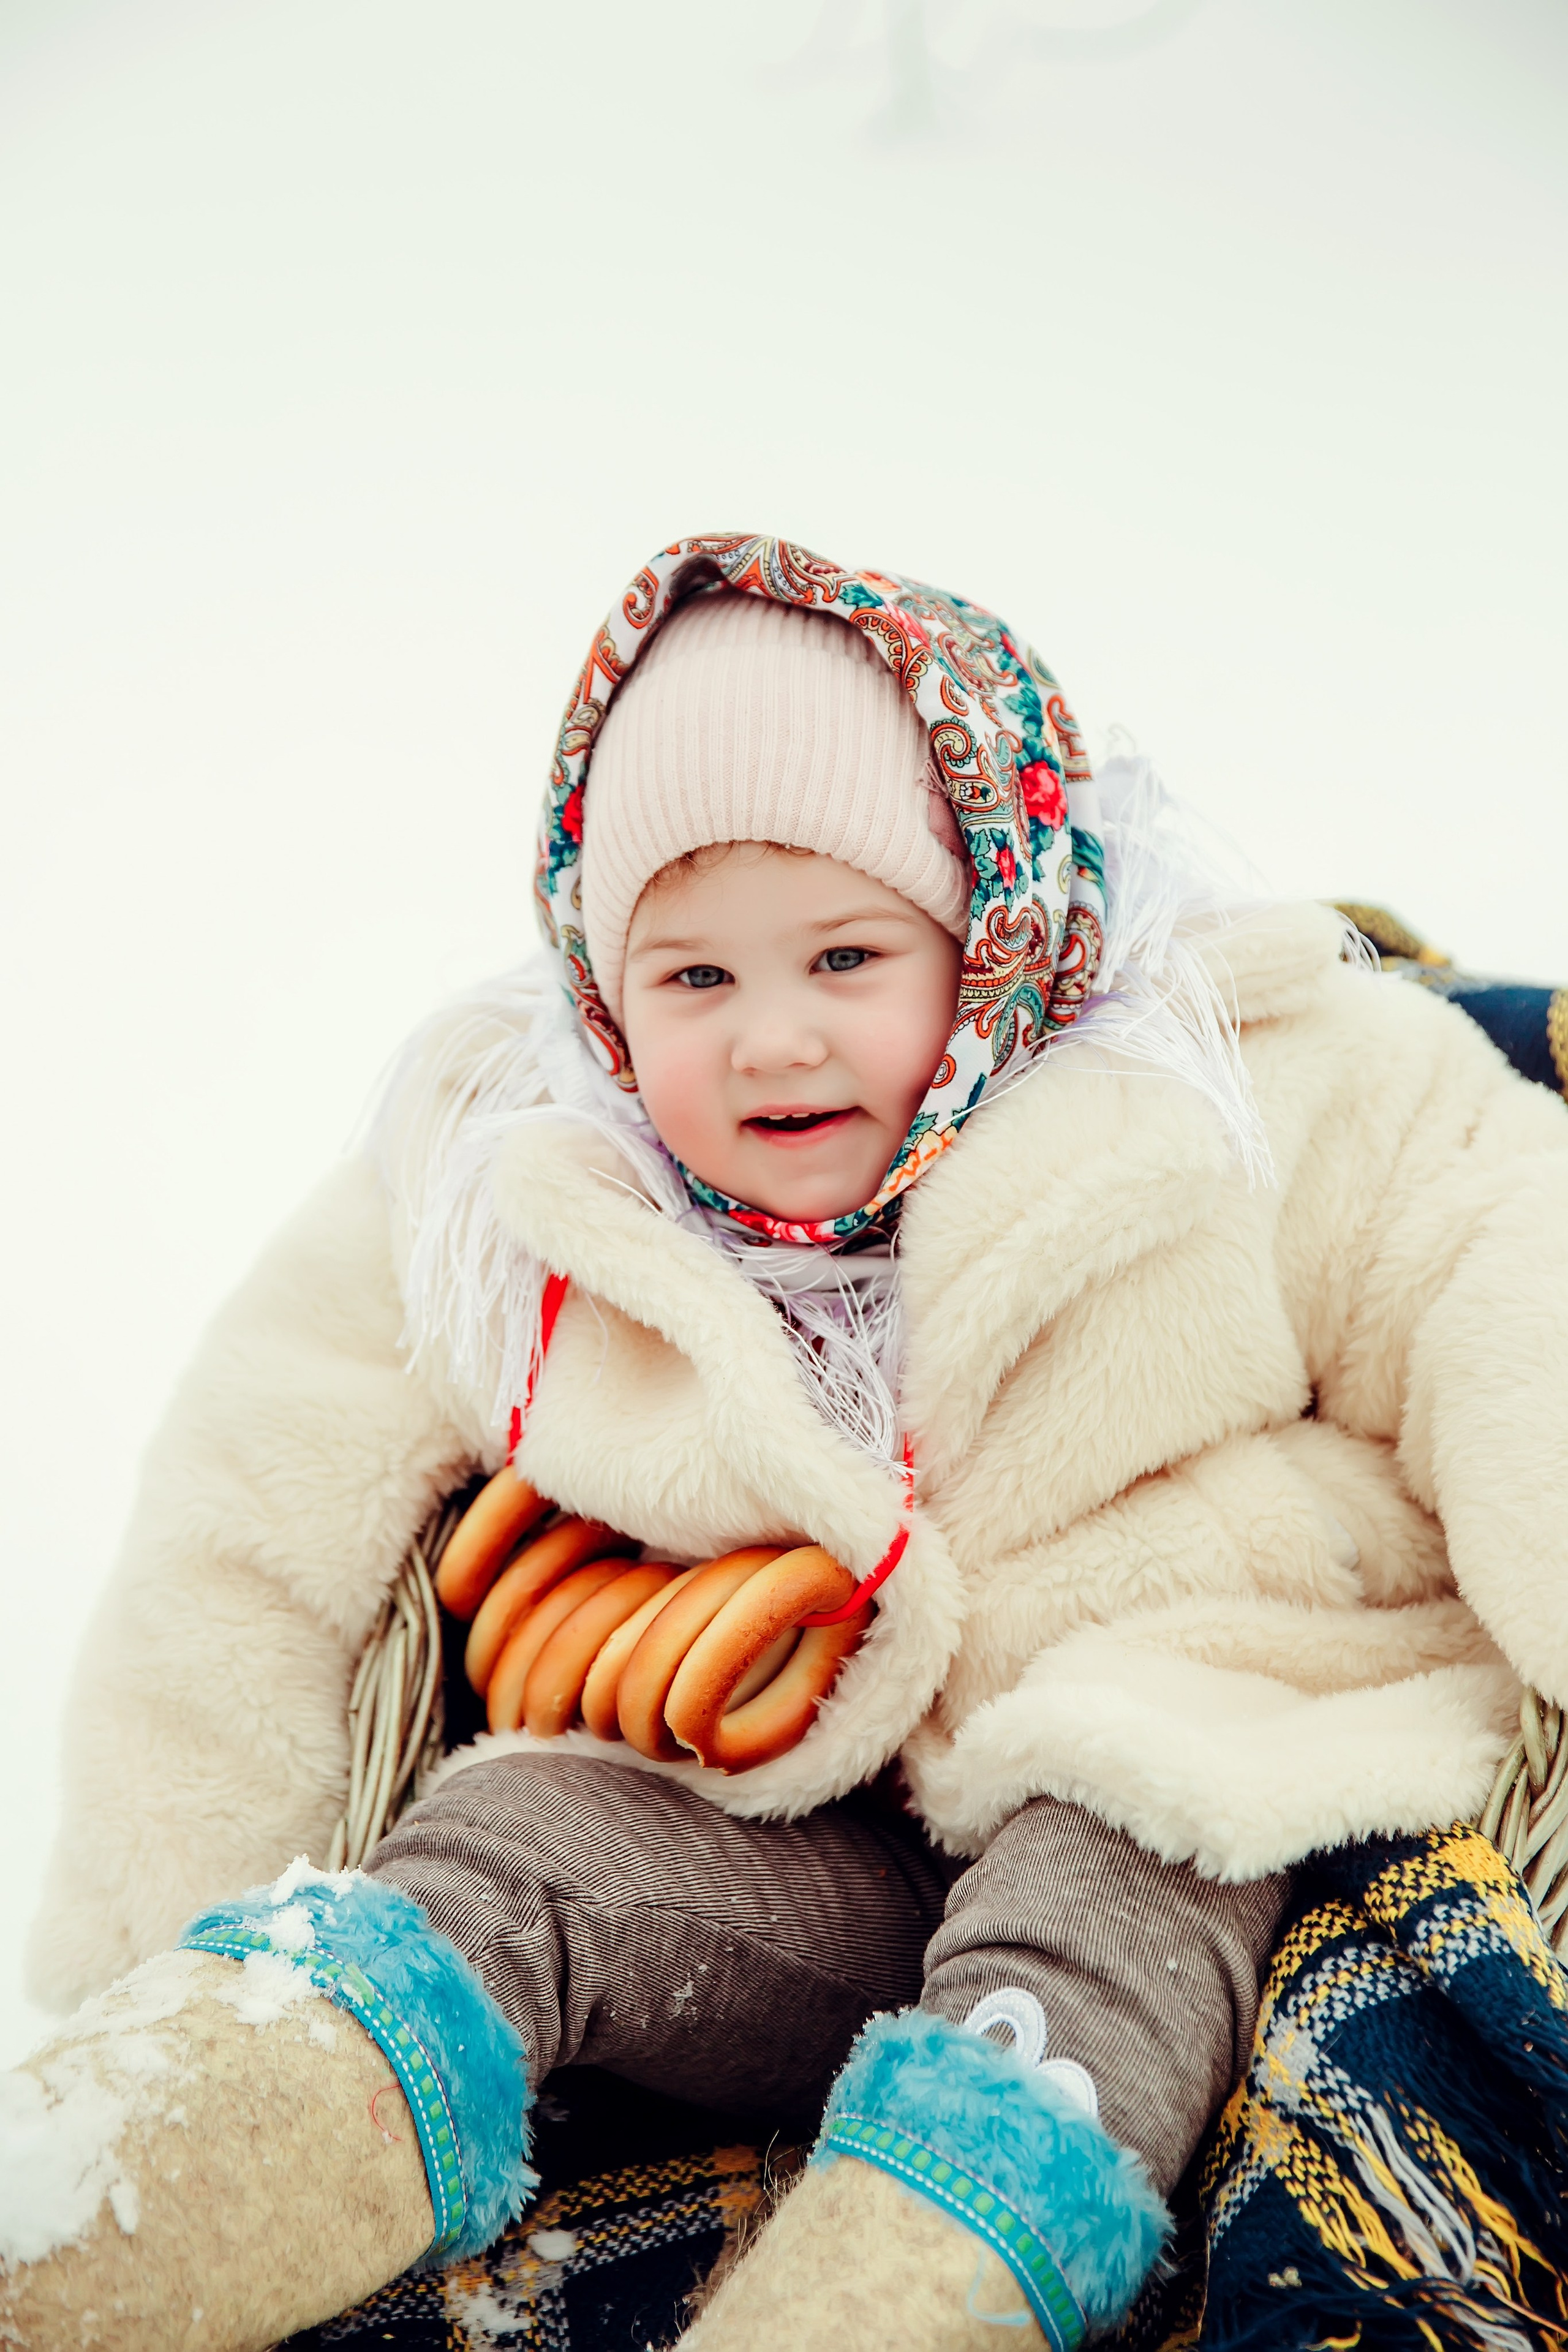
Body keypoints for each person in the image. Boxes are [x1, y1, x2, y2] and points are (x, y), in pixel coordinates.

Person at [6, 532, 1567, 2352]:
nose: (772, 1042)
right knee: (509, 1850)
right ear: (602, 986)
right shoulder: (516, 1178)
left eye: (844, 954)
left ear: (988, 929)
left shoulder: (1249, 1090)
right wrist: (132, 1943)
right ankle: (101, 2221)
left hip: (1174, 1736)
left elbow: (1497, 1272)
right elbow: (253, 1509)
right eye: (691, 981)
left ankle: (885, 2299)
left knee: (1097, 1909)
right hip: (786, 1826)